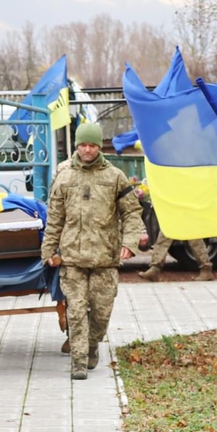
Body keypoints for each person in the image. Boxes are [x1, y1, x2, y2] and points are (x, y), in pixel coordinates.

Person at [42, 122, 148, 380]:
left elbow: (132, 212)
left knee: (101, 312)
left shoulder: (114, 177)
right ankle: (78, 360)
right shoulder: (65, 177)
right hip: (72, 258)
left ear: (99, 146)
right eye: (82, 145)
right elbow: (54, 216)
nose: (87, 150)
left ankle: (92, 345)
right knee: (76, 310)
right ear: (76, 146)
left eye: (92, 145)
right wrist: (48, 249)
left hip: (105, 257)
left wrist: (130, 243)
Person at [138, 231, 212, 282]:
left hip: (186, 212)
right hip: (175, 211)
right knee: (164, 236)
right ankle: (155, 269)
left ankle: (206, 269)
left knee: (195, 239)